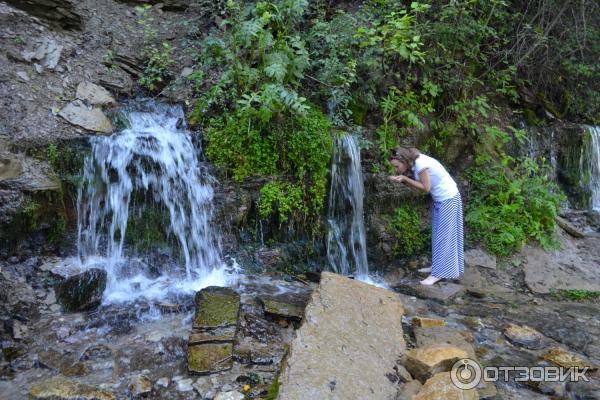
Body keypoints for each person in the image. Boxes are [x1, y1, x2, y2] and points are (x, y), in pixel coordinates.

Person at [388, 147, 464, 285]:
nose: (397, 170)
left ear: (404, 161)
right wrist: (404, 178)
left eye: (397, 167)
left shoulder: (421, 165)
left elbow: (425, 188)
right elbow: (420, 185)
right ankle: (437, 266)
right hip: (441, 200)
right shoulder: (414, 163)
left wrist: (404, 178)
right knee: (437, 234)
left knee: (443, 237)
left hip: (448, 199)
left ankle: (438, 274)